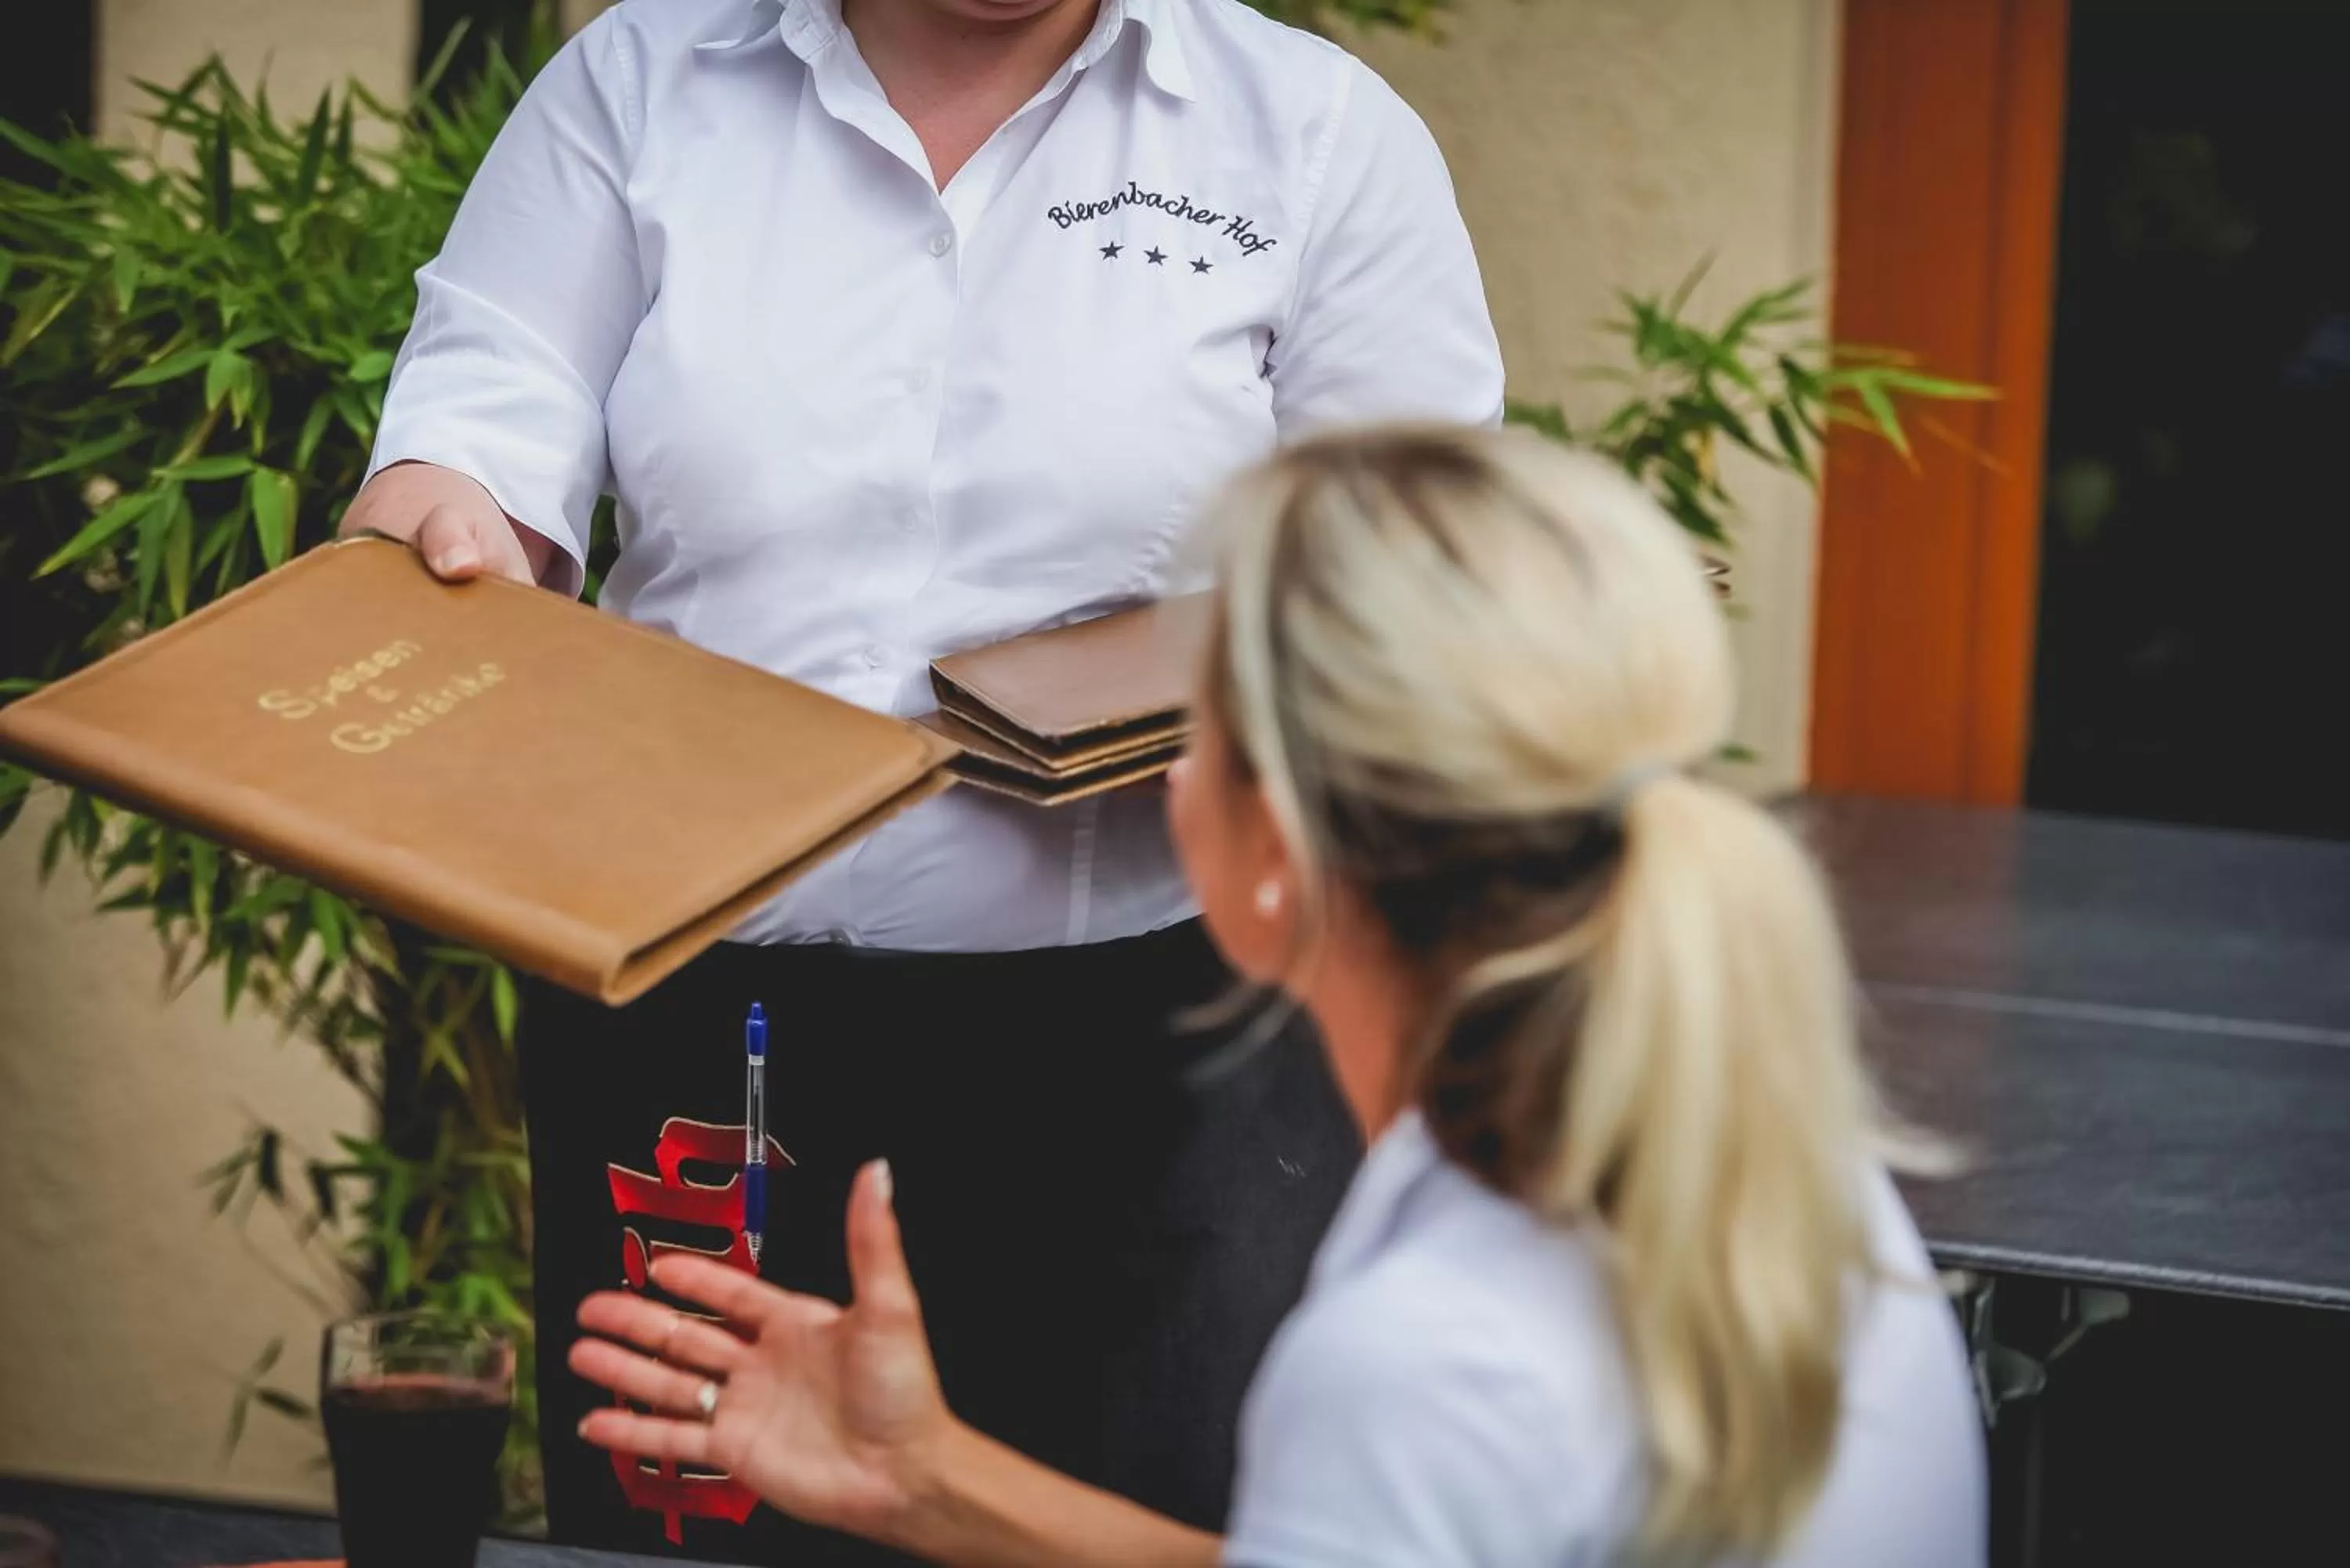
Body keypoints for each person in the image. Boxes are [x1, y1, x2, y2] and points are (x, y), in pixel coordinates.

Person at [342, 0, 1501, 1555]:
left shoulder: (1313, 132)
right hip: (693, 1029)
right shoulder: (641, 78)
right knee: (681, 1529)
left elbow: (1421, 572)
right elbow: (484, 413)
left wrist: (1305, 707)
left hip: (1157, 1054)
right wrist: (448, 534)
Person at [561, 425, 1989, 1567]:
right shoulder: (1780, 1191)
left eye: (1203, 711)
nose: (1171, 760)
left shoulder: (1423, 1360)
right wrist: (929, 1480)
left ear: (1274, 862)